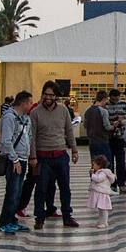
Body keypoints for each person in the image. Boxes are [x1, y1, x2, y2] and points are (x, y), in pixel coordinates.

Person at [30, 83, 80, 229]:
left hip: (60, 155)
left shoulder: (63, 110)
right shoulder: (35, 112)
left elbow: (69, 131)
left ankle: (67, 216)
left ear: (56, 96)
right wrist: (33, 157)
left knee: (65, 187)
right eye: (46, 94)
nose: (48, 97)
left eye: (51, 95)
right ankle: (39, 218)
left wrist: (75, 150)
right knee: (41, 188)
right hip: (42, 156)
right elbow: (32, 136)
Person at [0, 90, 33, 235]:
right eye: (30, 102)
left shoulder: (25, 118)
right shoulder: (9, 118)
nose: (31, 105)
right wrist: (15, 159)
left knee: (18, 192)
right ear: (24, 103)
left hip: (23, 159)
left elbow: (28, 136)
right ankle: (4, 222)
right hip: (13, 161)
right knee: (12, 192)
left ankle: (12, 220)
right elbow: (6, 141)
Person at [84, 91, 114, 180]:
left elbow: (85, 125)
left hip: (92, 142)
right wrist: (114, 125)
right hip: (102, 141)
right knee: (106, 164)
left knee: (95, 164)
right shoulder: (103, 111)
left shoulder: (88, 110)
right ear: (104, 99)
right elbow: (107, 127)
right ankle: (104, 184)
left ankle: (94, 182)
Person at [108, 89, 126, 193]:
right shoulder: (106, 105)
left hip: (120, 138)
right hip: (109, 137)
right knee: (109, 163)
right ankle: (112, 184)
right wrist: (116, 119)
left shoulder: (124, 104)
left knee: (121, 162)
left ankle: (122, 183)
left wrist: (122, 119)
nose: (116, 99)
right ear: (110, 97)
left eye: (118, 97)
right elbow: (105, 118)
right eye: (114, 97)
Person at [88, 155, 115, 229]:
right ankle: (101, 221)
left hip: (102, 193)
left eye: (94, 164)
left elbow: (98, 179)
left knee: (103, 209)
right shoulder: (99, 172)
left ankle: (104, 222)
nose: (93, 166)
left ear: (99, 165)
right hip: (99, 193)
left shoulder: (103, 173)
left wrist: (92, 175)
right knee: (100, 209)